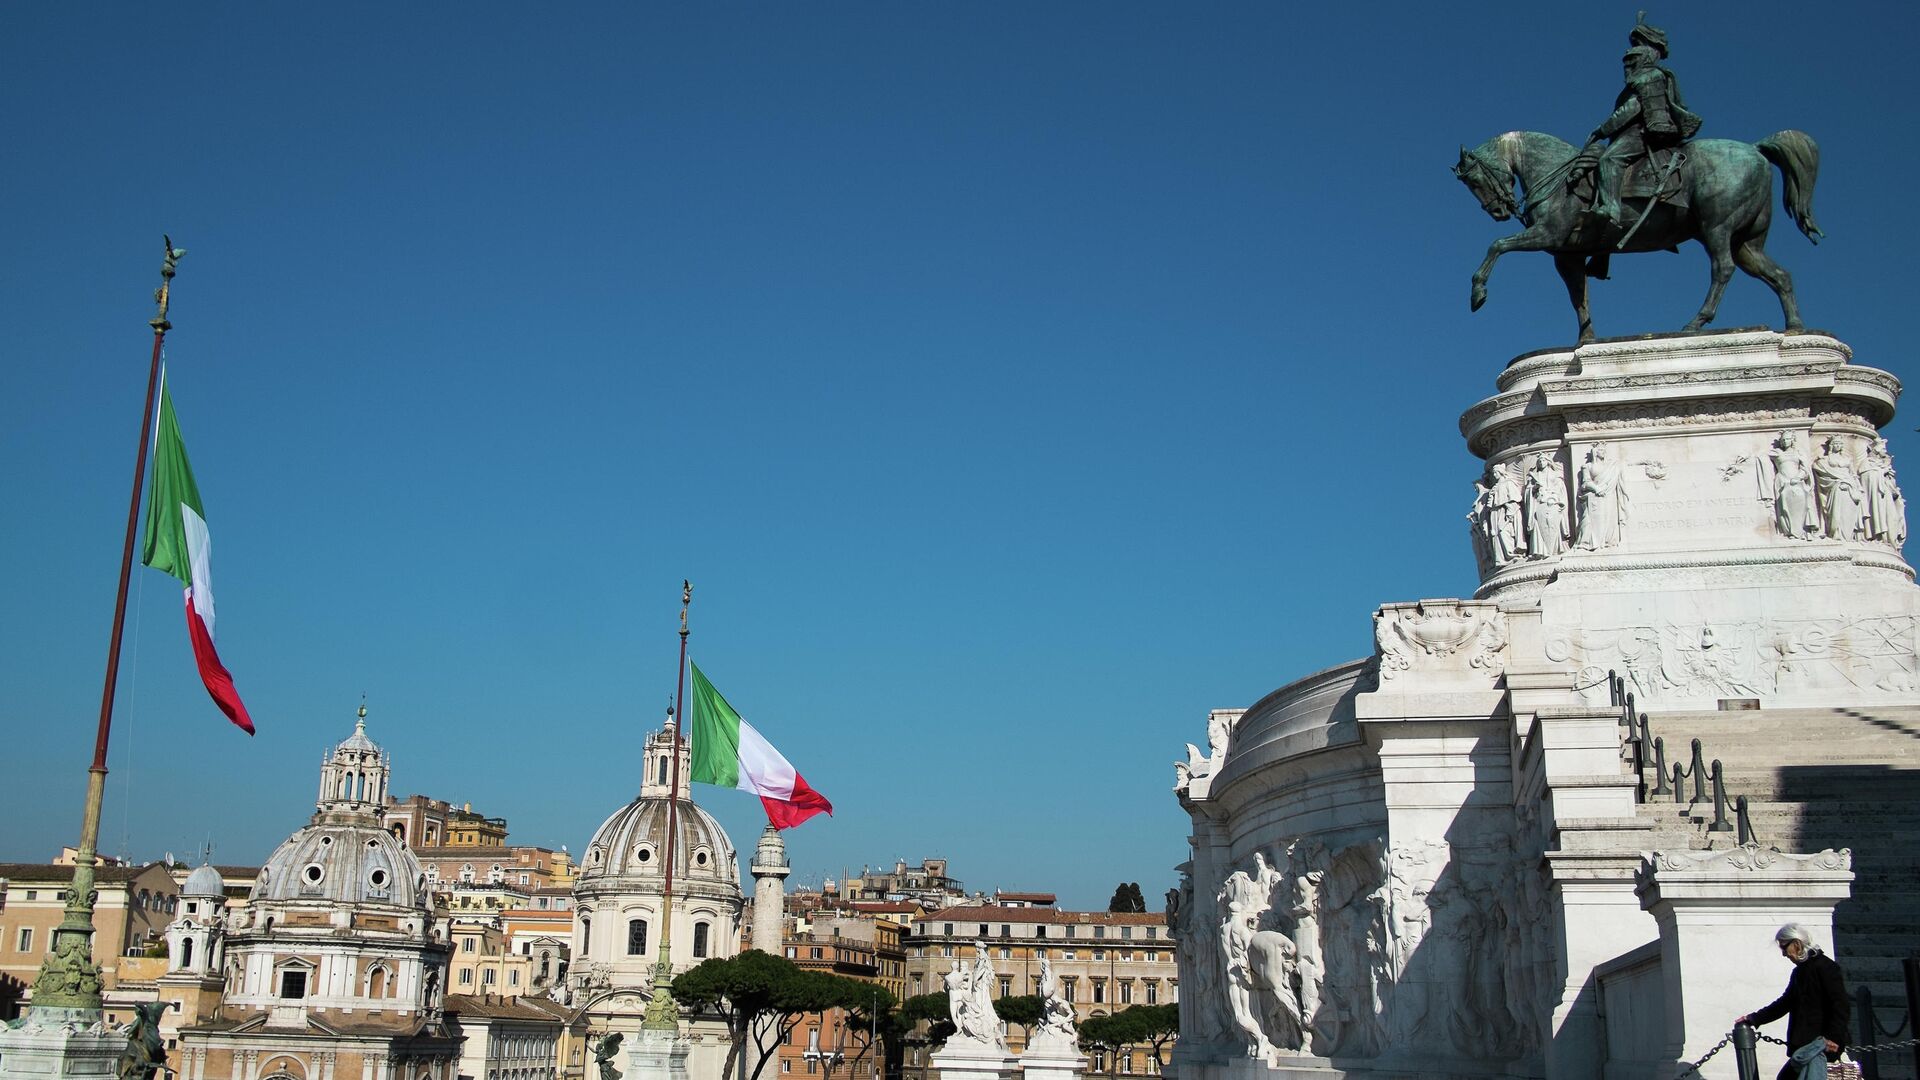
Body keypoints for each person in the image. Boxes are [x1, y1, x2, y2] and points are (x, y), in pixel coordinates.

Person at [1582, 15, 1703, 230]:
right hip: (1639, 131)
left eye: (1632, 58)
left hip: (1641, 132)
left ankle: (1611, 209)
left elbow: (1632, 109)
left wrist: (1602, 130)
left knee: (1609, 160)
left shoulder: (1648, 77)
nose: (1628, 64)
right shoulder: (1651, 76)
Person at [1738, 924, 1848, 1080]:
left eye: (1784, 948)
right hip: (1807, 1045)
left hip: (1820, 1045)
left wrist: (1833, 1038)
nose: (1784, 954)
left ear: (1796, 944)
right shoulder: (1800, 971)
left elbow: (1840, 1005)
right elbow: (1785, 1003)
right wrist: (1754, 1018)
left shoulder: (1825, 967)